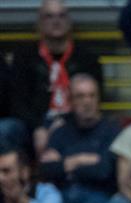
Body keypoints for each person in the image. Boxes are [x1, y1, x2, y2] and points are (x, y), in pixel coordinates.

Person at [40, 75, 131, 203]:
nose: (87, 101)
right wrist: (81, 160)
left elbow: (103, 171)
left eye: (92, 96)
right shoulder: (61, 130)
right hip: (63, 194)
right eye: (80, 96)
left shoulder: (112, 130)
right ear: (71, 101)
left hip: (97, 194)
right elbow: (47, 170)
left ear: (98, 100)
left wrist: (64, 163)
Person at [10, 0, 103, 154]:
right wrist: (38, 127)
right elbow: (17, 102)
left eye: (61, 16)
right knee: (8, 129)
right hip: (35, 124)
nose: (56, 21)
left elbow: (97, 98)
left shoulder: (88, 58)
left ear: (69, 22)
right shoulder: (24, 57)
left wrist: (68, 124)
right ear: (39, 23)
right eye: (49, 16)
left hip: (76, 121)